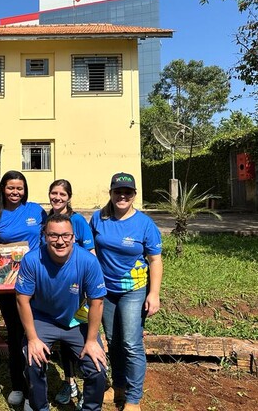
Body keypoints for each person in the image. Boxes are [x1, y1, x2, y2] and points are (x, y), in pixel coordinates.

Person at [16, 214, 107, 411]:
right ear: (45, 236)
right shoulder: (32, 260)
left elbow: (97, 302)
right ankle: (39, 406)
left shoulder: (88, 262)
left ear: (74, 237)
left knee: (97, 367)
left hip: (76, 320)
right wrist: (32, 339)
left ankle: (91, 408)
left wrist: (91, 340)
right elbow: (22, 300)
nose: (60, 241)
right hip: (43, 319)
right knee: (32, 361)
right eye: (54, 235)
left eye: (66, 235)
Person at [89, 172, 163, 411]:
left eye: (127, 192)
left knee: (131, 343)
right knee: (113, 341)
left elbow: (155, 260)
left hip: (134, 290)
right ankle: (119, 386)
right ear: (110, 193)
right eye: (117, 191)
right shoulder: (98, 219)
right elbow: (90, 250)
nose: (122, 196)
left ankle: (133, 399)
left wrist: (154, 294)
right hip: (105, 290)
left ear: (134, 195)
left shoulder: (144, 224)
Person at [0, 170, 47, 407]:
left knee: (35, 334)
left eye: (19, 188)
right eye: (10, 188)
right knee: (16, 334)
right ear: (3, 190)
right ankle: (18, 385)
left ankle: (34, 390)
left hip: (36, 282)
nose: (15, 192)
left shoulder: (37, 211)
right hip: (6, 286)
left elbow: (49, 238)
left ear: (25, 189)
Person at [48, 179, 95, 409]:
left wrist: (87, 289)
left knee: (83, 336)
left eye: (62, 194)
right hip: (57, 293)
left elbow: (91, 254)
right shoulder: (47, 220)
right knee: (65, 341)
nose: (57, 197)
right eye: (54, 193)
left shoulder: (77, 221)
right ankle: (69, 382)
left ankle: (89, 387)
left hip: (80, 294)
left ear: (69, 196)